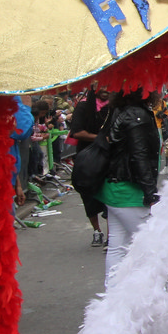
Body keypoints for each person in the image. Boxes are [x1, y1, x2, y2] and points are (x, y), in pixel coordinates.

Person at [99, 90, 160, 282]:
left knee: (117, 247)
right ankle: (150, 295)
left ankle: (113, 295)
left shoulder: (122, 110)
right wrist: (150, 193)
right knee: (153, 249)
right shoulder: (136, 114)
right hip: (129, 193)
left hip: (115, 189)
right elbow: (139, 156)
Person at [68, 87, 112, 247]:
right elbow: (77, 132)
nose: (106, 89)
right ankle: (97, 231)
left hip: (108, 157)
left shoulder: (114, 106)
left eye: (109, 86)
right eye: (102, 86)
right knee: (88, 197)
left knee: (110, 196)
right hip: (87, 159)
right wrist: (101, 139)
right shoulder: (84, 106)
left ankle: (111, 235)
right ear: (94, 88)